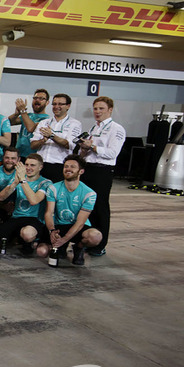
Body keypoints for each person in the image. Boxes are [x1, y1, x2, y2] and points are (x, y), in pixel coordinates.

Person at [76, 96, 125, 256]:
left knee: (100, 207)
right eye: (95, 108)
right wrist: (84, 148)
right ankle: (89, 239)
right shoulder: (93, 128)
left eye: (101, 108)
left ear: (110, 110)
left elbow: (112, 153)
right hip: (88, 169)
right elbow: (87, 150)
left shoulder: (116, 129)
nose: (97, 112)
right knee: (87, 207)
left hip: (103, 171)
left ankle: (100, 245)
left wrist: (94, 147)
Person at [37, 155, 102, 266]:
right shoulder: (53, 188)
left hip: (76, 227)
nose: (68, 169)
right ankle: (60, 248)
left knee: (95, 236)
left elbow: (80, 223)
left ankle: (79, 247)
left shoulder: (89, 193)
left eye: (72, 167)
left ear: (81, 171)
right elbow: (49, 213)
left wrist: (65, 239)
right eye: (66, 166)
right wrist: (52, 231)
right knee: (41, 252)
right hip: (58, 226)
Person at [0, 154, 53, 254]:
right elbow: (1, 197)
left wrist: (22, 180)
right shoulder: (19, 179)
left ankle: (30, 242)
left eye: (32, 165)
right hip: (16, 217)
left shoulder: (46, 183)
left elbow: (34, 200)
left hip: (34, 219)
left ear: (40, 167)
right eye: (27, 165)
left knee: (27, 234)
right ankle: (14, 240)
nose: (28, 168)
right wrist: (14, 183)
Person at [30, 93, 83, 183]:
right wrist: (43, 140)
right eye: (54, 104)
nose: (56, 106)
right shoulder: (44, 122)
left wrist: (52, 136)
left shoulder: (75, 124)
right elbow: (33, 145)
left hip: (59, 166)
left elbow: (69, 145)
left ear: (68, 106)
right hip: (41, 165)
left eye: (60, 104)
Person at [9, 89, 49, 160]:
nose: (37, 100)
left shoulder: (46, 119)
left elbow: (31, 128)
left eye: (41, 99)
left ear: (47, 102)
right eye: (35, 98)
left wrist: (23, 111)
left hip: (33, 156)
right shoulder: (28, 115)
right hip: (19, 154)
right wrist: (16, 114)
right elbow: (9, 122)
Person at [0, 147, 20, 228]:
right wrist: (3, 206)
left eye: (13, 158)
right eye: (7, 158)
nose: (9, 161)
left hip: (18, 208)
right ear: (3, 158)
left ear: (19, 159)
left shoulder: (24, 173)